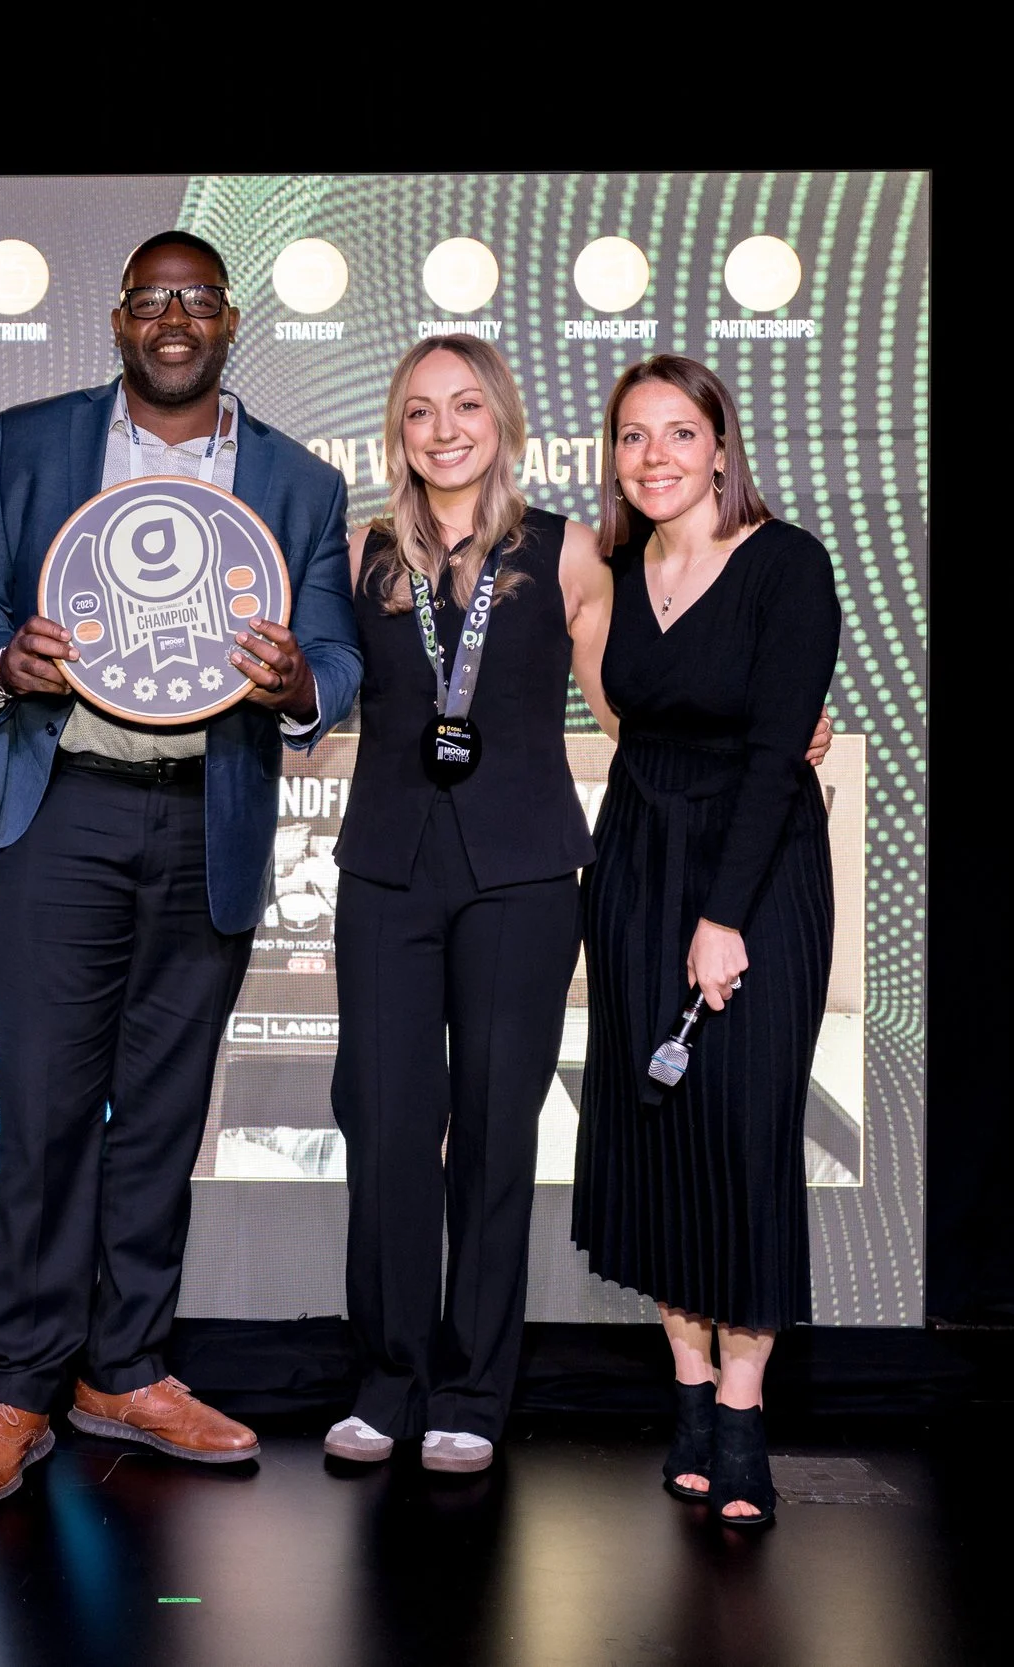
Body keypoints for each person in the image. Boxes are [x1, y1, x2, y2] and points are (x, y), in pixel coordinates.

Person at [0, 230, 362, 1507]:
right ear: (119, 320)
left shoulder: (296, 482)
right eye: (151, 300)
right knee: (49, 1111)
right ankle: (17, 1384)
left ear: (229, 323)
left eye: (196, 301)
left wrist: (300, 685)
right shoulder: (30, 441)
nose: (173, 318)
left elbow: (336, 653)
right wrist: (5, 657)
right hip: (61, 809)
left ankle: (124, 1367)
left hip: (208, 818)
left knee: (165, 1114)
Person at [322, 335, 612, 1475]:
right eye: (418, 411)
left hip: (523, 873)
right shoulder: (362, 553)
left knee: (497, 1132)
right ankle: (386, 1379)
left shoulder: (568, 551)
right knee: (388, 1131)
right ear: (397, 430)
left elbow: (627, 703)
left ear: (502, 417)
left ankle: (473, 1388)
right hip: (388, 871)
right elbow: (309, 690)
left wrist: (765, 743)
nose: (443, 429)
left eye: (465, 406)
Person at [570, 353, 842, 1528]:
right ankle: (688, 1391)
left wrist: (722, 916)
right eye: (633, 436)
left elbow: (780, 745)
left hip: (757, 871)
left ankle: (742, 1410)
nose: (655, 457)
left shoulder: (788, 564)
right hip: (635, 863)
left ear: (722, 446)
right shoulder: (620, 572)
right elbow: (627, 723)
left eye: (679, 434)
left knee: (741, 1138)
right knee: (653, 1134)